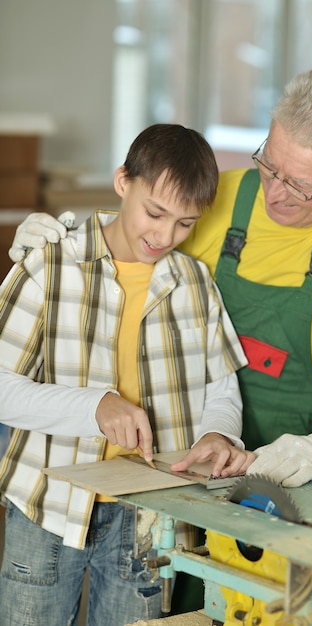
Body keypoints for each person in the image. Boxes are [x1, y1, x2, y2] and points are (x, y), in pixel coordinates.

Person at [10, 67, 312, 490]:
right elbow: (140, 238)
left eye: (300, 186)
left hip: (301, 456)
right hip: (198, 452)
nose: (275, 192)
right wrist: (63, 245)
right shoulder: (224, 194)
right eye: (270, 165)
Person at [0, 123, 253, 626]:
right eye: (154, 213)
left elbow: (221, 386)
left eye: (184, 223)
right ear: (122, 182)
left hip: (151, 515)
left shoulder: (195, 282)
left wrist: (218, 432)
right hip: (48, 506)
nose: (164, 236)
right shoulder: (49, 266)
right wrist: (95, 406)